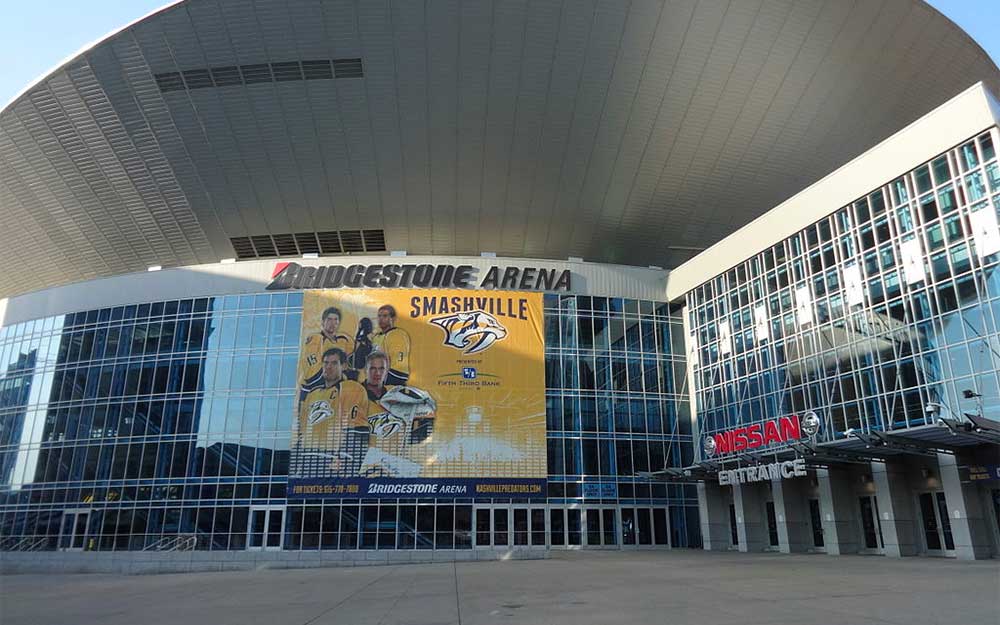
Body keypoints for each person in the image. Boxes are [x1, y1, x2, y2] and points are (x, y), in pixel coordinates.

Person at [295, 347, 368, 477]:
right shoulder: (313, 394)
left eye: (334, 363)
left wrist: (347, 462)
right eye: (326, 363)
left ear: (344, 366)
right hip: (307, 461)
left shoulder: (350, 388)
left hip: (331, 460)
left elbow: (357, 430)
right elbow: (303, 432)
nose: (328, 367)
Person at [360, 351, 435, 477]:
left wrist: (427, 418)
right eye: (372, 368)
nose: (377, 373)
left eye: (381, 368)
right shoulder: (356, 394)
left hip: (393, 467)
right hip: (363, 466)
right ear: (365, 370)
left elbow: (420, 432)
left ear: (387, 370)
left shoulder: (397, 393)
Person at [300, 306, 355, 393]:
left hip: (335, 385)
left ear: (339, 322)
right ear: (323, 322)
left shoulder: (345, 339)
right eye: (329, 319)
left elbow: (349, 362)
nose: (332, 323)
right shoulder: (316, 339)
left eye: (335, 320)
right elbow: (312, 370)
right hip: (315, 387)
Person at [369, 304, 411, 385]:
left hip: (393, 375)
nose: (381, 319)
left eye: (385, 316)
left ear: (393, 318)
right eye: (379, 316)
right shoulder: (376, 337)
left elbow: (398, 362)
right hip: (379, 376)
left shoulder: (397, 334)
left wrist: (385, 377)